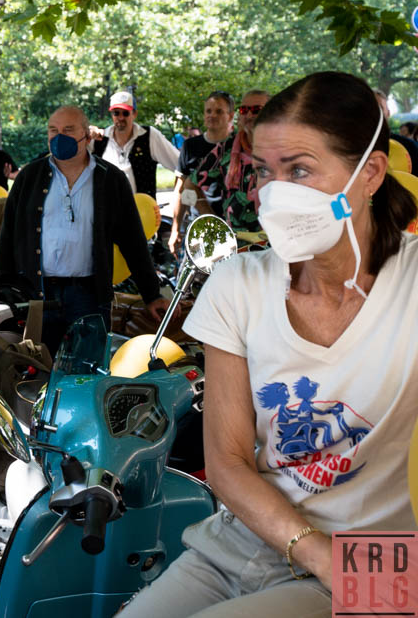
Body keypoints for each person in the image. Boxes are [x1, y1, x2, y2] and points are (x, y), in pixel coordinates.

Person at [119, 71, 418, 618]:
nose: (273, 193)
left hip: (371, 562)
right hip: (242, 545)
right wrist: (315, 552)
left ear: (371, 174)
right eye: (263, 171)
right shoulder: (239, 283)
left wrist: (343, 566)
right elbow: (228, 462)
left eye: (298, 169)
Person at [0, 105, 168, 354]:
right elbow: (8, 238)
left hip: (89, 296)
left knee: (88, 368)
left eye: (68, 130)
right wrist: (3, 292)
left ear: (86, 136)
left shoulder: (111, 179)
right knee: (39, 368)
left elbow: (133, 241)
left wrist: (151, 294)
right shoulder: (29, 177)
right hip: (38, 295)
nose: (59, 137)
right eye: (53, 130)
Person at [192, 89, 270, 234]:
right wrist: (213, 223)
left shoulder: (285, 148)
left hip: (276, 240)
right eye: (244, 110)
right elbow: (190, 185)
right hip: (236, 241)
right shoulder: (225, 149)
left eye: (256, 110)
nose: (249, 115)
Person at [169, 91, 234, 254]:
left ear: (230, 116)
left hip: (234, 229)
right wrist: (175, 229)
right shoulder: (190, 146)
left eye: (219, 111)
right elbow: (181, 189)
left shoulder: (238, 146)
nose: (212, 115)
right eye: (208, 111)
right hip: (199, 227)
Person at [91, 91, 180, 196]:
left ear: (134, 114)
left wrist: (177, 198)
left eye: (125, 113)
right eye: (116, 113)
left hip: (142, 206)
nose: (121, 118)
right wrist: (86, 133)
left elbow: (181, 165)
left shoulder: (149, 136)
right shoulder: (99, 140)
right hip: (108, 206)